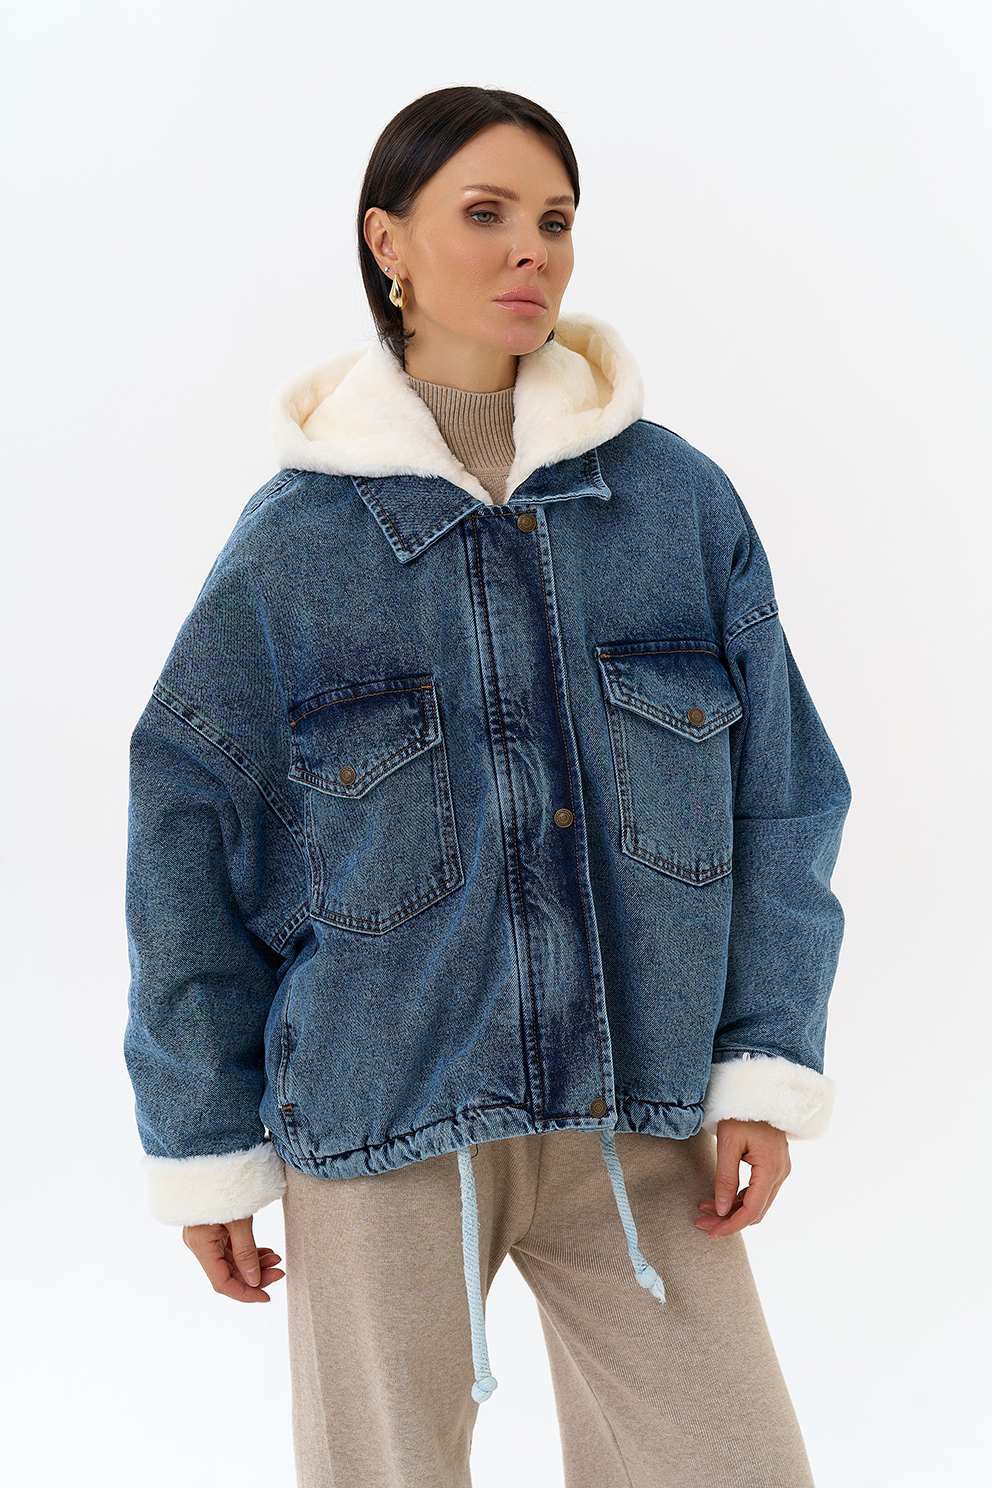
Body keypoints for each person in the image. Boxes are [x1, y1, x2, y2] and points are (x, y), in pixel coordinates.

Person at [124, 86, 850, 1488]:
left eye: (556, 221)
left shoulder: (676, 505)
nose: (533, 251)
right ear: (388, 242)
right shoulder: (293, 546)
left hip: (633, 1110)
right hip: (380, 1113)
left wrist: (762, 1064)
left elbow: (783, 795)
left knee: (734, 1462)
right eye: (487, 213)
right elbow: (185, 842)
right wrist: (202, 1140)